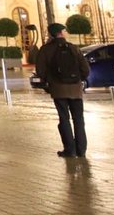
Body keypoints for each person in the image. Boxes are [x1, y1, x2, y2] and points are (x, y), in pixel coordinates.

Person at [34, 23, 90, 158]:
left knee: (64, 118)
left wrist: (49, 80)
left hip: (58, 89)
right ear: (62, 33)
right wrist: (77, 79)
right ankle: (81, 149)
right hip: (75, 89)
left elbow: (40, 71)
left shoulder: (46, 50)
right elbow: (85, 69)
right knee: (79, 119)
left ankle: (69, 149)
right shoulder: (73, 48)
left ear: (50, 34)